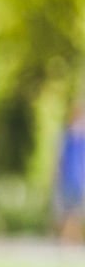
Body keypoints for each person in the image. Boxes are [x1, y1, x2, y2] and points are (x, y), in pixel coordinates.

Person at [54, 104, 85, 243]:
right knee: (68, 210)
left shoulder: (82, 140)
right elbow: (60, 160)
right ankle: (67, 238)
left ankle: (73, 237)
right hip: (68, 178)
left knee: (76, 211)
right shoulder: (67, 138)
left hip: (80, 178)